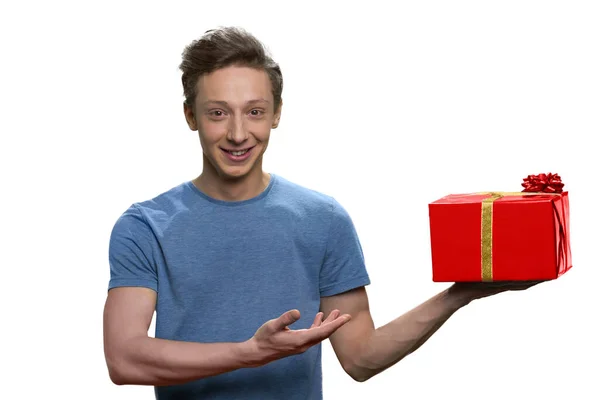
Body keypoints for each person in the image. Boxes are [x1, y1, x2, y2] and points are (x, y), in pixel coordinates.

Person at [103, 26, 539, 400]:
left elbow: (361, 357)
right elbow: (124, 359)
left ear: (276, 115)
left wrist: (460, 294)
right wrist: (249, 352)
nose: (238, 133)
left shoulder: (322, 218)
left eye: (254, 112)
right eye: (218, 114)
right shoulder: (145, 226)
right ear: (190, 116)